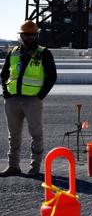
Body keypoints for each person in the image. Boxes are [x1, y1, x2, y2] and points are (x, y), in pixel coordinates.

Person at [0, 20, 57, 177]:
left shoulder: (43, 53)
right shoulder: (13, 53)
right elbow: (4, 74)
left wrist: (40, 96)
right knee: (14, 135)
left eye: (32, 35)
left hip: (32, 101)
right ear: (21, 35)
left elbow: (52, 76)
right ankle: (13, 166)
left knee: (36, 134)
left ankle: (35, 167)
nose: (30, 37)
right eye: (26, 35)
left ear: (36, 35)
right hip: (12, 100)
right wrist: (5, 91)